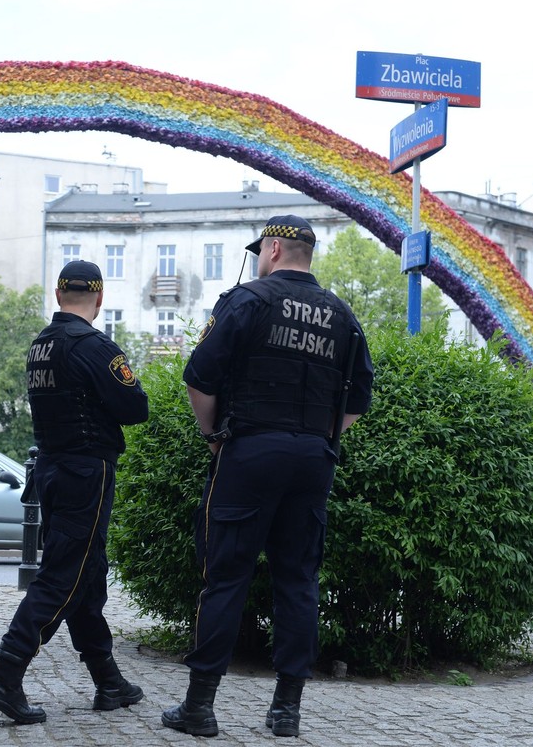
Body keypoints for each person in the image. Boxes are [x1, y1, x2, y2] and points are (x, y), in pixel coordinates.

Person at [161, 215, 374, 738]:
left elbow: (199, 377)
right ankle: (286, 712)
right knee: (299, 580)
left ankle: (199, 706)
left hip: (250, 451)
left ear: (274, 249)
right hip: (312, 459)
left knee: (226, 576)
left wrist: (213, 435)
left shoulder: (247, 300)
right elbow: (358, 399)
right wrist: (321, 436)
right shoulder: (342, 316)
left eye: (262, 250)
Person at [0, 259, 150, 724]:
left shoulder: (40, 347)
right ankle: (5, 675)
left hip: (52, 470)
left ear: (57, 295)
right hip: (85, 473)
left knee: (86, 574)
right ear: (99, 297)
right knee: (62, 578)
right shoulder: (92, 346)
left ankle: (108, 679)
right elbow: (135, 407)